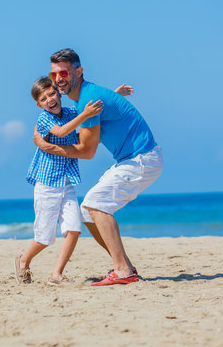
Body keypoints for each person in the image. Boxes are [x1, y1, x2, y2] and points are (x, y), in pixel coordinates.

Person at [33, 48, 163, 286]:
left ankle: (123, 271)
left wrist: (48, 147)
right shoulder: (87, 98)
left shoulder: (87, 100)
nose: (59, 79)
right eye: (54, 75)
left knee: (96, 203)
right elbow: (103, 110)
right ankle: (124, 266)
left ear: (78, 71)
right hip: (132, 159)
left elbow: (87, 151)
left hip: (141, 158)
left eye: (63, 72)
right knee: (86, 210)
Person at [16, 77, 131, 285]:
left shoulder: (70, 113)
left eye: (52, 94)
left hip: (66, 182)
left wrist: (116, 94)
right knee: (45, 238)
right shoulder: (44, 119)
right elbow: (61, 131)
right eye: (44, 98)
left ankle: (56, 275)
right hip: (47, 184)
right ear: (38, 104)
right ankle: (23, 260)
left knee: (74, 229)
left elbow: (93, 111)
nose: (50, 99)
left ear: (58, 94)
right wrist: (84, 115)